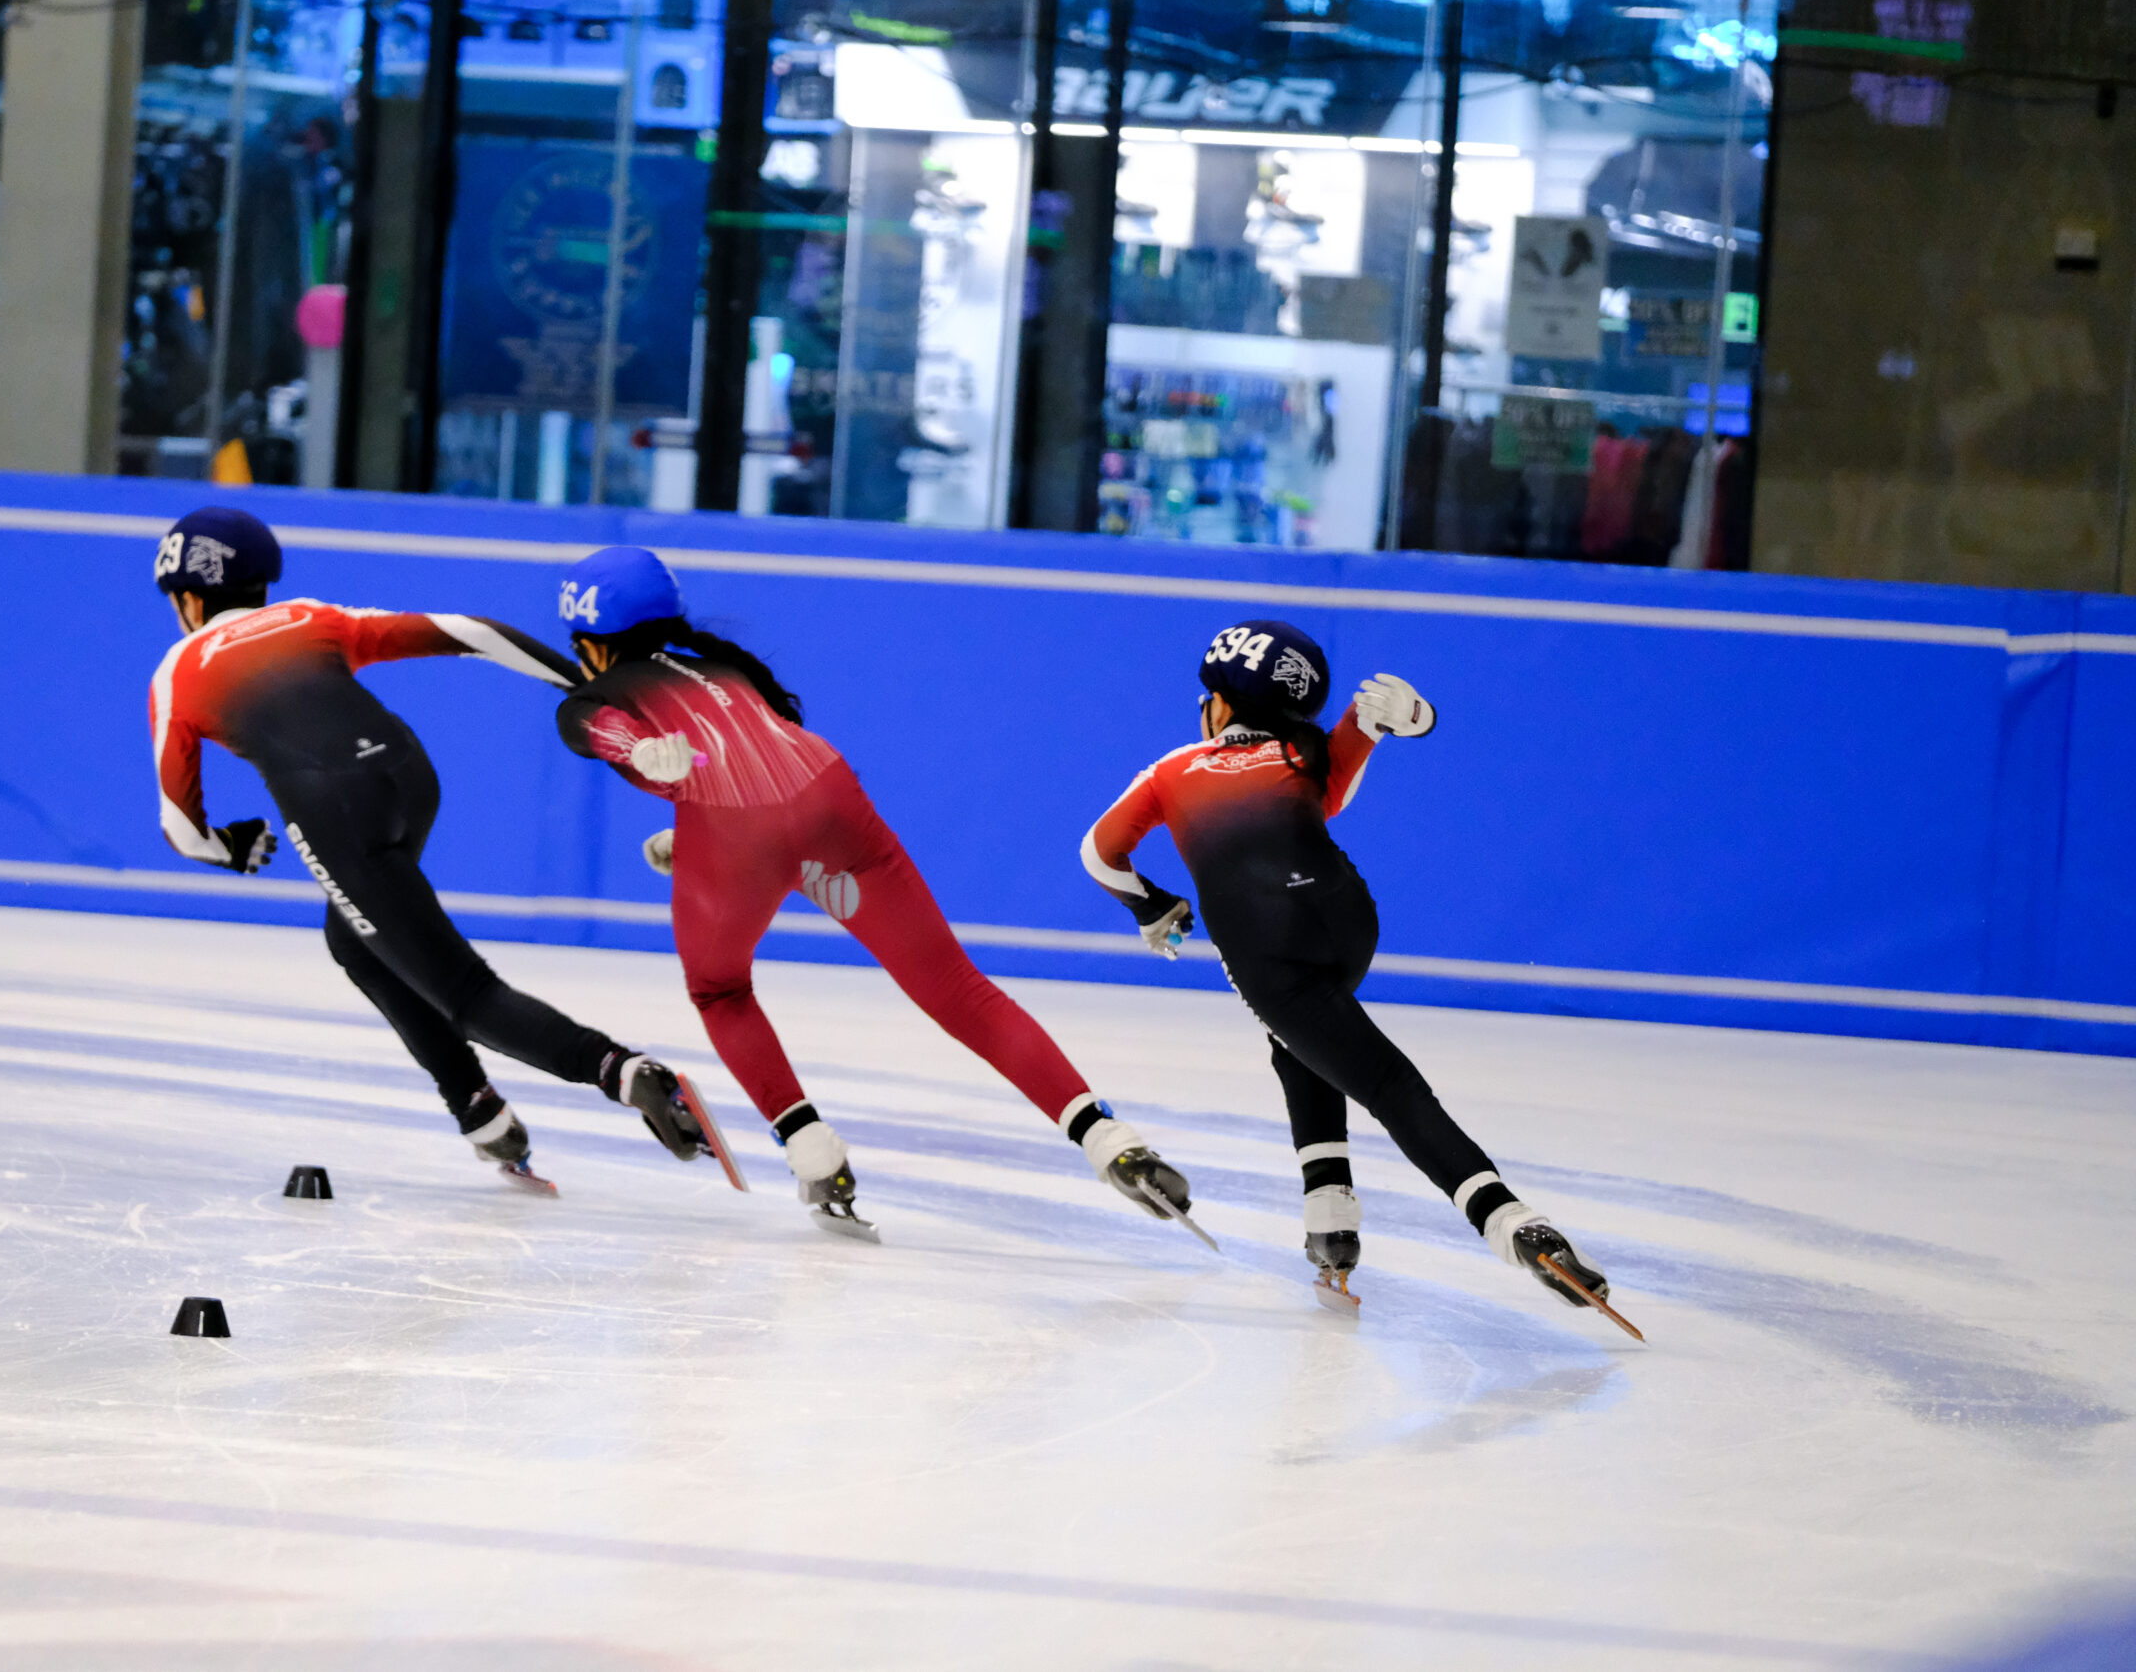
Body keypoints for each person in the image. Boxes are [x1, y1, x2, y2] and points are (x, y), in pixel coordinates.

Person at [549, 545, 1199, 1243]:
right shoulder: (727, 668)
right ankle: (1108, 1138)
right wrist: (691, 835)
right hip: (829, 799)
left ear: (591, 645)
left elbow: (586, 725)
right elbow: (756, 770)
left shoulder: (601, 693)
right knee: (959, 988)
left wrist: (636, 752)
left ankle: (811, 1149)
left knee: (721, 991)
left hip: (738, 835)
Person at [147, 506, 705, 1190]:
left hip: (337, 810)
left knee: (464, 992)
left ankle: (623, 1071)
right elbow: (471, 633)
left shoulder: (178, 669)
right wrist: (589, 689)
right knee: (356, 939)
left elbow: (182, 829)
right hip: (410, 777)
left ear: (189, 599)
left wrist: (230, 847)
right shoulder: (308, 617)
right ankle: (478, 1111)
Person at [1080, 618, 1618, 1319]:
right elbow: (1386, 719)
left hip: (1269, 948)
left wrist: (1152, 906)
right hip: (1348, 920)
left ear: (1223, 703)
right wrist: (1412, 715)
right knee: (1303, 1040)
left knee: (1386, 1082)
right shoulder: (1301, 752)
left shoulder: (1173, 769)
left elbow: (1098, 853)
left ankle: (1511, 1222)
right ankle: (1329, 1217)